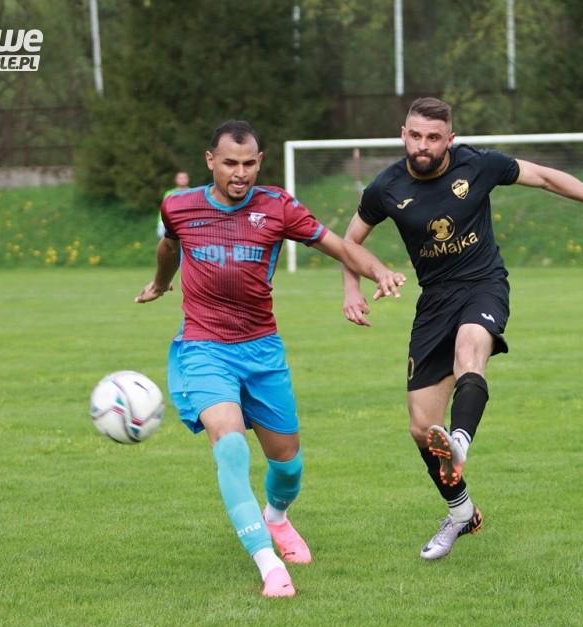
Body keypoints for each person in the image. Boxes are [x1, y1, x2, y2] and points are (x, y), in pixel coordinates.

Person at [340, 97, 583, 561]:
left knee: (470, 351)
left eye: (433, 137)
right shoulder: (386, 187)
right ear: (403, 133)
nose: (423, 146)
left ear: (450, 139)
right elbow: (349, 241)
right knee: (421, 427)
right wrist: (352, 289)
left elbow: (545, 177)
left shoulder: (478, 165)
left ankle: (460, 443)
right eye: (415, 135)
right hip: (433, 301)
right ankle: (461, 512)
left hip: (483, 285)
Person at [136, 120, 406, 597]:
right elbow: (169, 244)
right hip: (204, 347)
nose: (239, 174)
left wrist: (378, 269)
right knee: (231, 448)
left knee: (287, 466)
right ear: (210, 161)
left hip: (262, 350)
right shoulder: (179, 205)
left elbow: (339, 246)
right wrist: (161, 282)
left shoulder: (277, 206)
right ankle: (268, 563)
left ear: (259, 162)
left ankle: (276, 518)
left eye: (248, 164)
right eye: (229, 164)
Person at [157, 171, 191, 239]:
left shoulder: (194, 192)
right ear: (176, 180)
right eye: (180, 178)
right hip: (167, 220)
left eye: (184, 178)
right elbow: (165, 209)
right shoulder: (169, 193)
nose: (182, 180)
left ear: (188, 179)